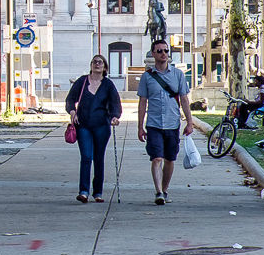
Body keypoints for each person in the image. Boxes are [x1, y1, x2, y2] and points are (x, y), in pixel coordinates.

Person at [136, 38, 194, 205]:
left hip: (172, 123)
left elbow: (184, 99)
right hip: (154, 123)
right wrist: (140, 127)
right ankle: (159, 192)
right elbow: (142, 103)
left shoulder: (178, 75)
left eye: (166, 51)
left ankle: (165, 188)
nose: (163, 54)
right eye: (159, 51)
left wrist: (189, 122)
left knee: (170, 159)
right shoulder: (147, 77)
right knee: (156, 158)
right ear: (153, 54)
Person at [65, 55, 123, 203]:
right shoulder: (82, 81)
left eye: (100, 62)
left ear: (105, 67)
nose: (97, 64)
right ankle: (83, 191)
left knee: (98, 158)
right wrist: (72, 112)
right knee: (86, 157)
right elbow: (70, 99)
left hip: (102, 126)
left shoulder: (108, 85)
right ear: (91, 65)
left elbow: (115, 104)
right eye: (94, 62)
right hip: (83, 125)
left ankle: (98, 192)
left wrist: (115, 117)